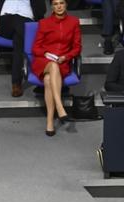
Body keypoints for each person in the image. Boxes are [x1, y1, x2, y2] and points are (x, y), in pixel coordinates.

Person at [30, 0, 82, 136]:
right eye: (55, 3)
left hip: (63, 62)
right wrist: (45, 53)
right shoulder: (44, 23)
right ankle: (60, 108)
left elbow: (77, 47)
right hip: (44, 61)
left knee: (48, 80)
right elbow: (36, 48)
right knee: (52, 66)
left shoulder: (74, 22)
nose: (59, 6)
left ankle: (49, 122)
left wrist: (66, 56)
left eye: (62, 3)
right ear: (52, 6)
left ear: (66, 5)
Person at [0, 0, 44, 96]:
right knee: (20, 27)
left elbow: (42, 9)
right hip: (6, 20)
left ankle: (16, 84)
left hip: (26, 19)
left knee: (19, 41)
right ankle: (39, 72)